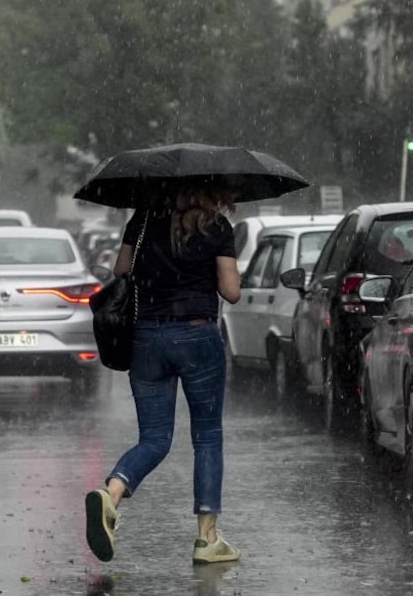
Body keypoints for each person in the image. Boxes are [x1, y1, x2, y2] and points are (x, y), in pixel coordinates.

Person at [84, 183, 243, 565]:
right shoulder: (216, 227)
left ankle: (112, 493)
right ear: (209, 189)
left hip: (147, 338)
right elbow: (232, 292)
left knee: (154, 438)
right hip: (197, 335)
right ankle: (207, 539)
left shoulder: (141, 223)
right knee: (207, 436)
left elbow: (121, 272)